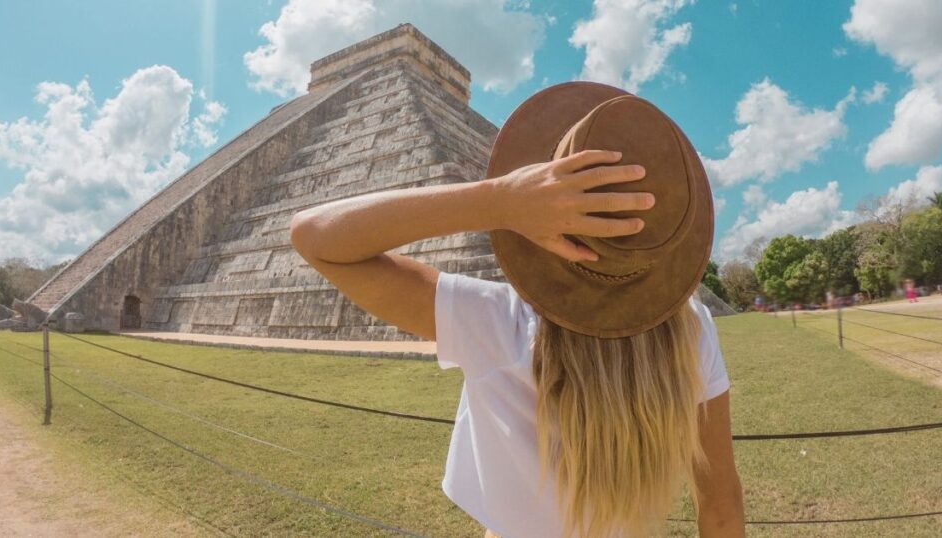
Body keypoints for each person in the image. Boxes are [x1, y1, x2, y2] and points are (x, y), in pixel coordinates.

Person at [290, 82, 745, 538]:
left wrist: (500, 201)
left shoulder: (495, 322)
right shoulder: (693, 330)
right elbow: (720, 503)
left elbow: (314, 236)